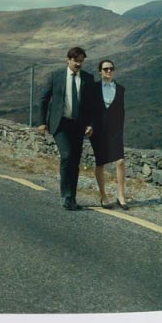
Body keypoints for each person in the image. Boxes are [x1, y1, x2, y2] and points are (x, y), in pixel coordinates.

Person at [37, 46, 95, 210]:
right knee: (67, 155)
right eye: (75, 61)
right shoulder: (56, 77)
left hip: (78, 125)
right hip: (60, 124)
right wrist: (41, 122)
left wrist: (90, 124)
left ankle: (73, 198)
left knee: (75, 161)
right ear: (68, 60)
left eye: (81, 61)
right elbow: (44, 99)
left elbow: (91, 105)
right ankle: (65, 196)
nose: (78, 64)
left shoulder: (88, 79)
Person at [89, 58, 128, 210]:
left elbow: (120, 111)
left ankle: (121, 196)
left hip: (115, 130)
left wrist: (119, 129)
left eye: (111, 68)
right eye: (105, 69)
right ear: (100, 71)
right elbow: (89, 109)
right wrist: (89, 125)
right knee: (100, 162)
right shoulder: (93, 88)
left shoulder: (121, 89)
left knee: (120, 161)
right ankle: (103, 196)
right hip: (97, 131)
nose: (109, 71)